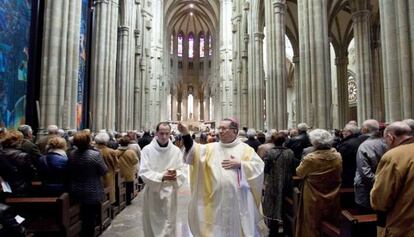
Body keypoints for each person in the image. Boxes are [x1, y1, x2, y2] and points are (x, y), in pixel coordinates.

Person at [178, 118, 268, 237]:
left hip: (238, 203)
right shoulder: (210, 148)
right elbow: (194, 152)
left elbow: (258, 168)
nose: (220, 131)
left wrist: (241, 164)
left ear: (235, 131)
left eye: (224, 128)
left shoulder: (246, 150)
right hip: (215, 201)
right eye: (219, 128)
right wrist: (185, 134)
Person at [139, 122, 185, 237]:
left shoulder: (175, 151)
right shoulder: (147, 150)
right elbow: (144, 172)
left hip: (169, 193)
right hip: (153, 193)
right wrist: (161, 177)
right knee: (153, 224)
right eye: (161, 133)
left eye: (166, 133)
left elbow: (182, 170)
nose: (164, 136)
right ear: (156, 133)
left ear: (170, 134)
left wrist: (176, 173)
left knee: (168, 224)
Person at [295, 129, 342, 237]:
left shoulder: (311, 159)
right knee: (330, 220)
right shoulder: (337, 156)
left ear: (314, 142)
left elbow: (299, 173)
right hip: (332, 192)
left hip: (313, 195)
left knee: (312, 222)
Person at [371, 121, 414, 237]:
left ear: (390, 137)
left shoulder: (394, 156)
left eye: (385, 141)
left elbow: (381, 199)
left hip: (403, 226)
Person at [68, 131, 108, 237]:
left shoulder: (71, 154)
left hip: (76, 189)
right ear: (88, 141)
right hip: (92, 190)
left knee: (79, 216)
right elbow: (104, 170)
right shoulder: (95, 155)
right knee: (89, 219)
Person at [263, 132, 295, 236]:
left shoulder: (270, 153)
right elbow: (293, 166)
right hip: (287, 183)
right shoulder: (290, 152)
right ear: (284, 141)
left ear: (273, 141)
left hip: (273, 183)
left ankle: (273, 233)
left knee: (273, 207)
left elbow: (265, 168)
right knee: (286, 208)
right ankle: (287, 231)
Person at [354, 119, 387, 213]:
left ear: (365, 129)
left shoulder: (364, 146)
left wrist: (377, 185)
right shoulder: (386, 142)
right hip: (386, 186)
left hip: (367, 190)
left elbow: (365, 173)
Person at [117, 136, 139, 205]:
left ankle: (120, 200)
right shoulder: (131, 152)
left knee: (120, 187)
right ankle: (128, 200)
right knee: (128, 187)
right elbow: (135, 161)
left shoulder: (116, 152)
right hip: (129, 172)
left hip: (119, 173)